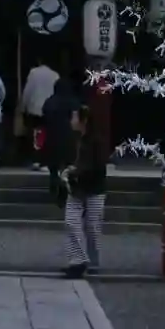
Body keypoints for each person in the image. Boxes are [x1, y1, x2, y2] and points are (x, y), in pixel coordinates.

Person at [58, 103, 108, 278]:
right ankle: (77, 260)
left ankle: (93, 261)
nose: (71, 121)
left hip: (93, 188)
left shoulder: (97, 141)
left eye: (74, 117)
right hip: (76, 188)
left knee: (92, 227)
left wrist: (75, 171)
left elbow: (97, 166)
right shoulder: (72, 139)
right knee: (71, 222)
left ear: (83, 120)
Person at [20, 58, 60, 171]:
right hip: (50, 109)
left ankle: (36, 160)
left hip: (35, 108)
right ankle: (46, 160)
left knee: (36, 135)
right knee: (48, 135)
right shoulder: (55, 75)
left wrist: (23, 106)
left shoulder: (33, 73)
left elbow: (28, 91)